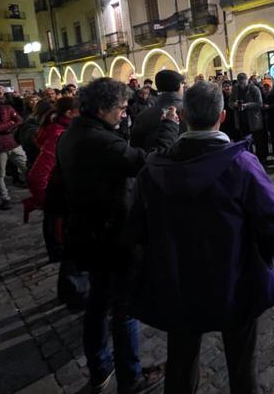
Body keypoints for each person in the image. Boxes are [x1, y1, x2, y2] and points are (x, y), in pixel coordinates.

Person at [127, 81, 274, 393]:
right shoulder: (242, 165)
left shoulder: (153, 171)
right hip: (236, 279)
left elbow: (137, 231)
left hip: (178, 282)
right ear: (222, 117)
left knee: (181, 363)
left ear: (183, 116)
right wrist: (264, 258)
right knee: (242, 366)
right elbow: (272, 222)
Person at [57, 78, 163, 394]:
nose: (124, 112)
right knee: (125, 309)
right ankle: (130, 378)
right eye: (120, 107)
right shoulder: (100, 141)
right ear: (101, 109)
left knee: (98, 304)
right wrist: (169, 126)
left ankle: (100, 369)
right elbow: (147, 161)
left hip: (89, 234)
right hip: (113, 237)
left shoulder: (74, 133)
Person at [26, 97, 79, 209]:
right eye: (82, 112)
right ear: (69, 113)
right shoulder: (59, 134)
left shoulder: (59, 126)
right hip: (61, 196)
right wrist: (46, 203)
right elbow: (37, 176)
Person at [131, 69, 185, 150]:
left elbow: (136, 146)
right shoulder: (190, 111)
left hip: (154, 156)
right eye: (182, 84)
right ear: (179, 86)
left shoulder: (143, 115)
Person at [229, 73, 267, 164]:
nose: (242, 85)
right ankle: (250, 160)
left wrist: (247, 105)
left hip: (253, 120)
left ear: (247, 80)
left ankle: (261, 160)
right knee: (246, 141)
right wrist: (234, 104)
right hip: (241, 120)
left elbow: (259, 103)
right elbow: (230, 101)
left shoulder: (254, 89)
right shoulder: (235, 89)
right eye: (240, 83)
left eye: (243, 83)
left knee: (257, 141)